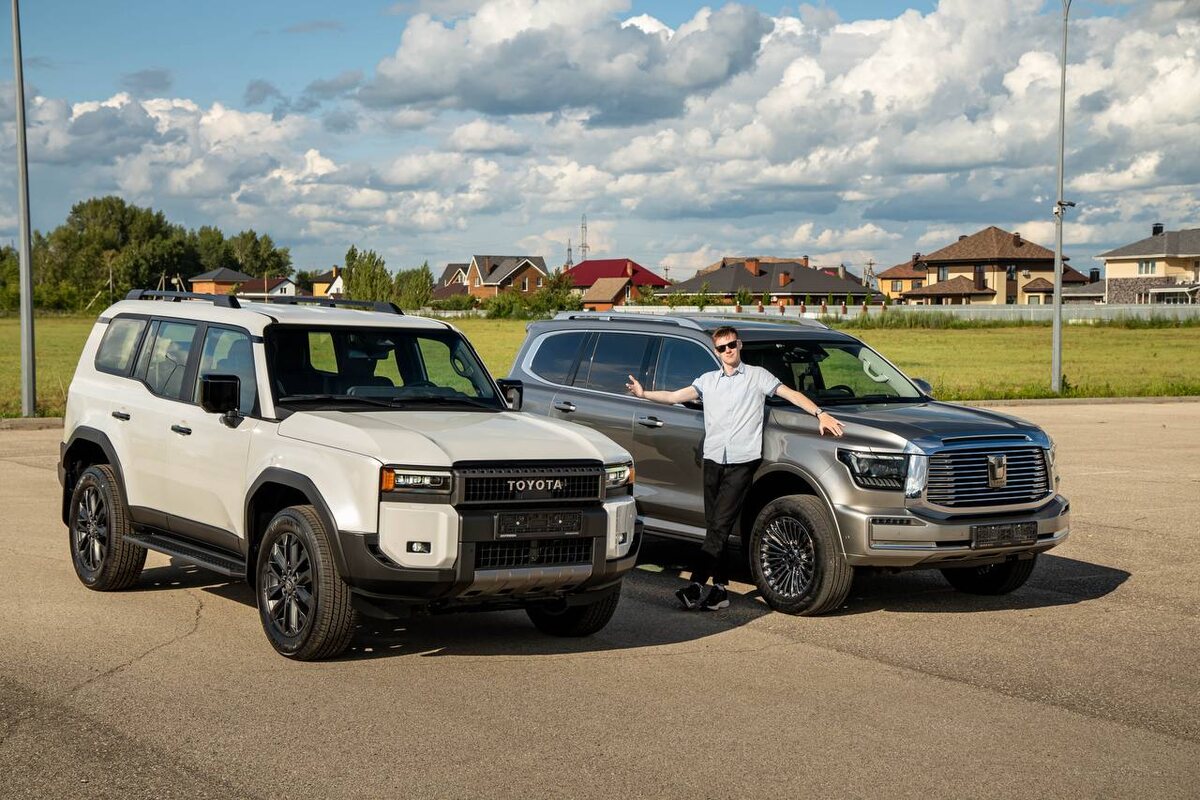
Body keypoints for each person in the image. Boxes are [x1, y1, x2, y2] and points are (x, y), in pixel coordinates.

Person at [626, 325, 844, 611]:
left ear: (739, 345)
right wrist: (644, 394)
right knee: (716, 526)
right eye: (722, 348)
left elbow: (790, 394)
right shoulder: (707, 381)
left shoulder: (757, 376)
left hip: (742, 461)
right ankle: (720, 590)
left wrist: (820, 413)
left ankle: (695, 585)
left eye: (731, 345)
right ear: (716, 352)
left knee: (719, 525)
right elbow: (674, 396)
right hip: (713, 459)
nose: (728, 351)